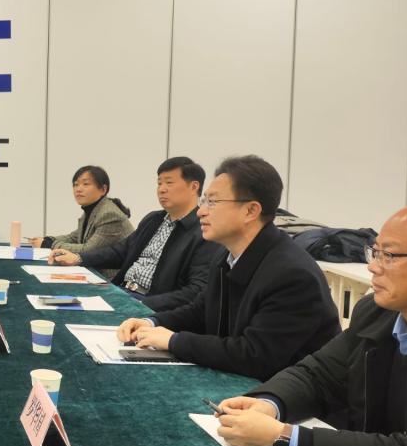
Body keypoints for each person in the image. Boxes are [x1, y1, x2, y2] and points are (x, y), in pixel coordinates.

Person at [213, 205, 407, 446]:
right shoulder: (376, 314)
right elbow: (318, 374)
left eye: (389, 256)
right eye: (374, 253)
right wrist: (270, 404)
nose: (373, 267)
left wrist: (286, 438)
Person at [116, 155, 338, 380]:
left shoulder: (292, 275)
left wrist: (174, 341)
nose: (201, 211)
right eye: (204, 201)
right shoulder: (226, 254)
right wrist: (151, 322)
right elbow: (200, 311)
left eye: (212, 202)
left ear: (250, 211)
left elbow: (255, 356)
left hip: (282, 394)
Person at [48, 157, 217, 312]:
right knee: (55, 300)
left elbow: (195, 291)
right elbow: (120, 251)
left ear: (194, 186)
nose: (161, 189)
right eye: (159, 183)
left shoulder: (203, 231)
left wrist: (140, 304)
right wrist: (78, 258)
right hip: (121, 292)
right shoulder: (154, 219)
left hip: (148, 304)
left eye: (169, 183)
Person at [29, 165, 133, 278]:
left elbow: (88, 250)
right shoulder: (93, 209)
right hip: (93, 272)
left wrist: (49, 244)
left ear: (103, 189)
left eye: (86, 184)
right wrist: (48, 239)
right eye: (76, 184)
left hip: (112, 279)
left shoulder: (109, 214)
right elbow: (74, 237)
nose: (78, 189)